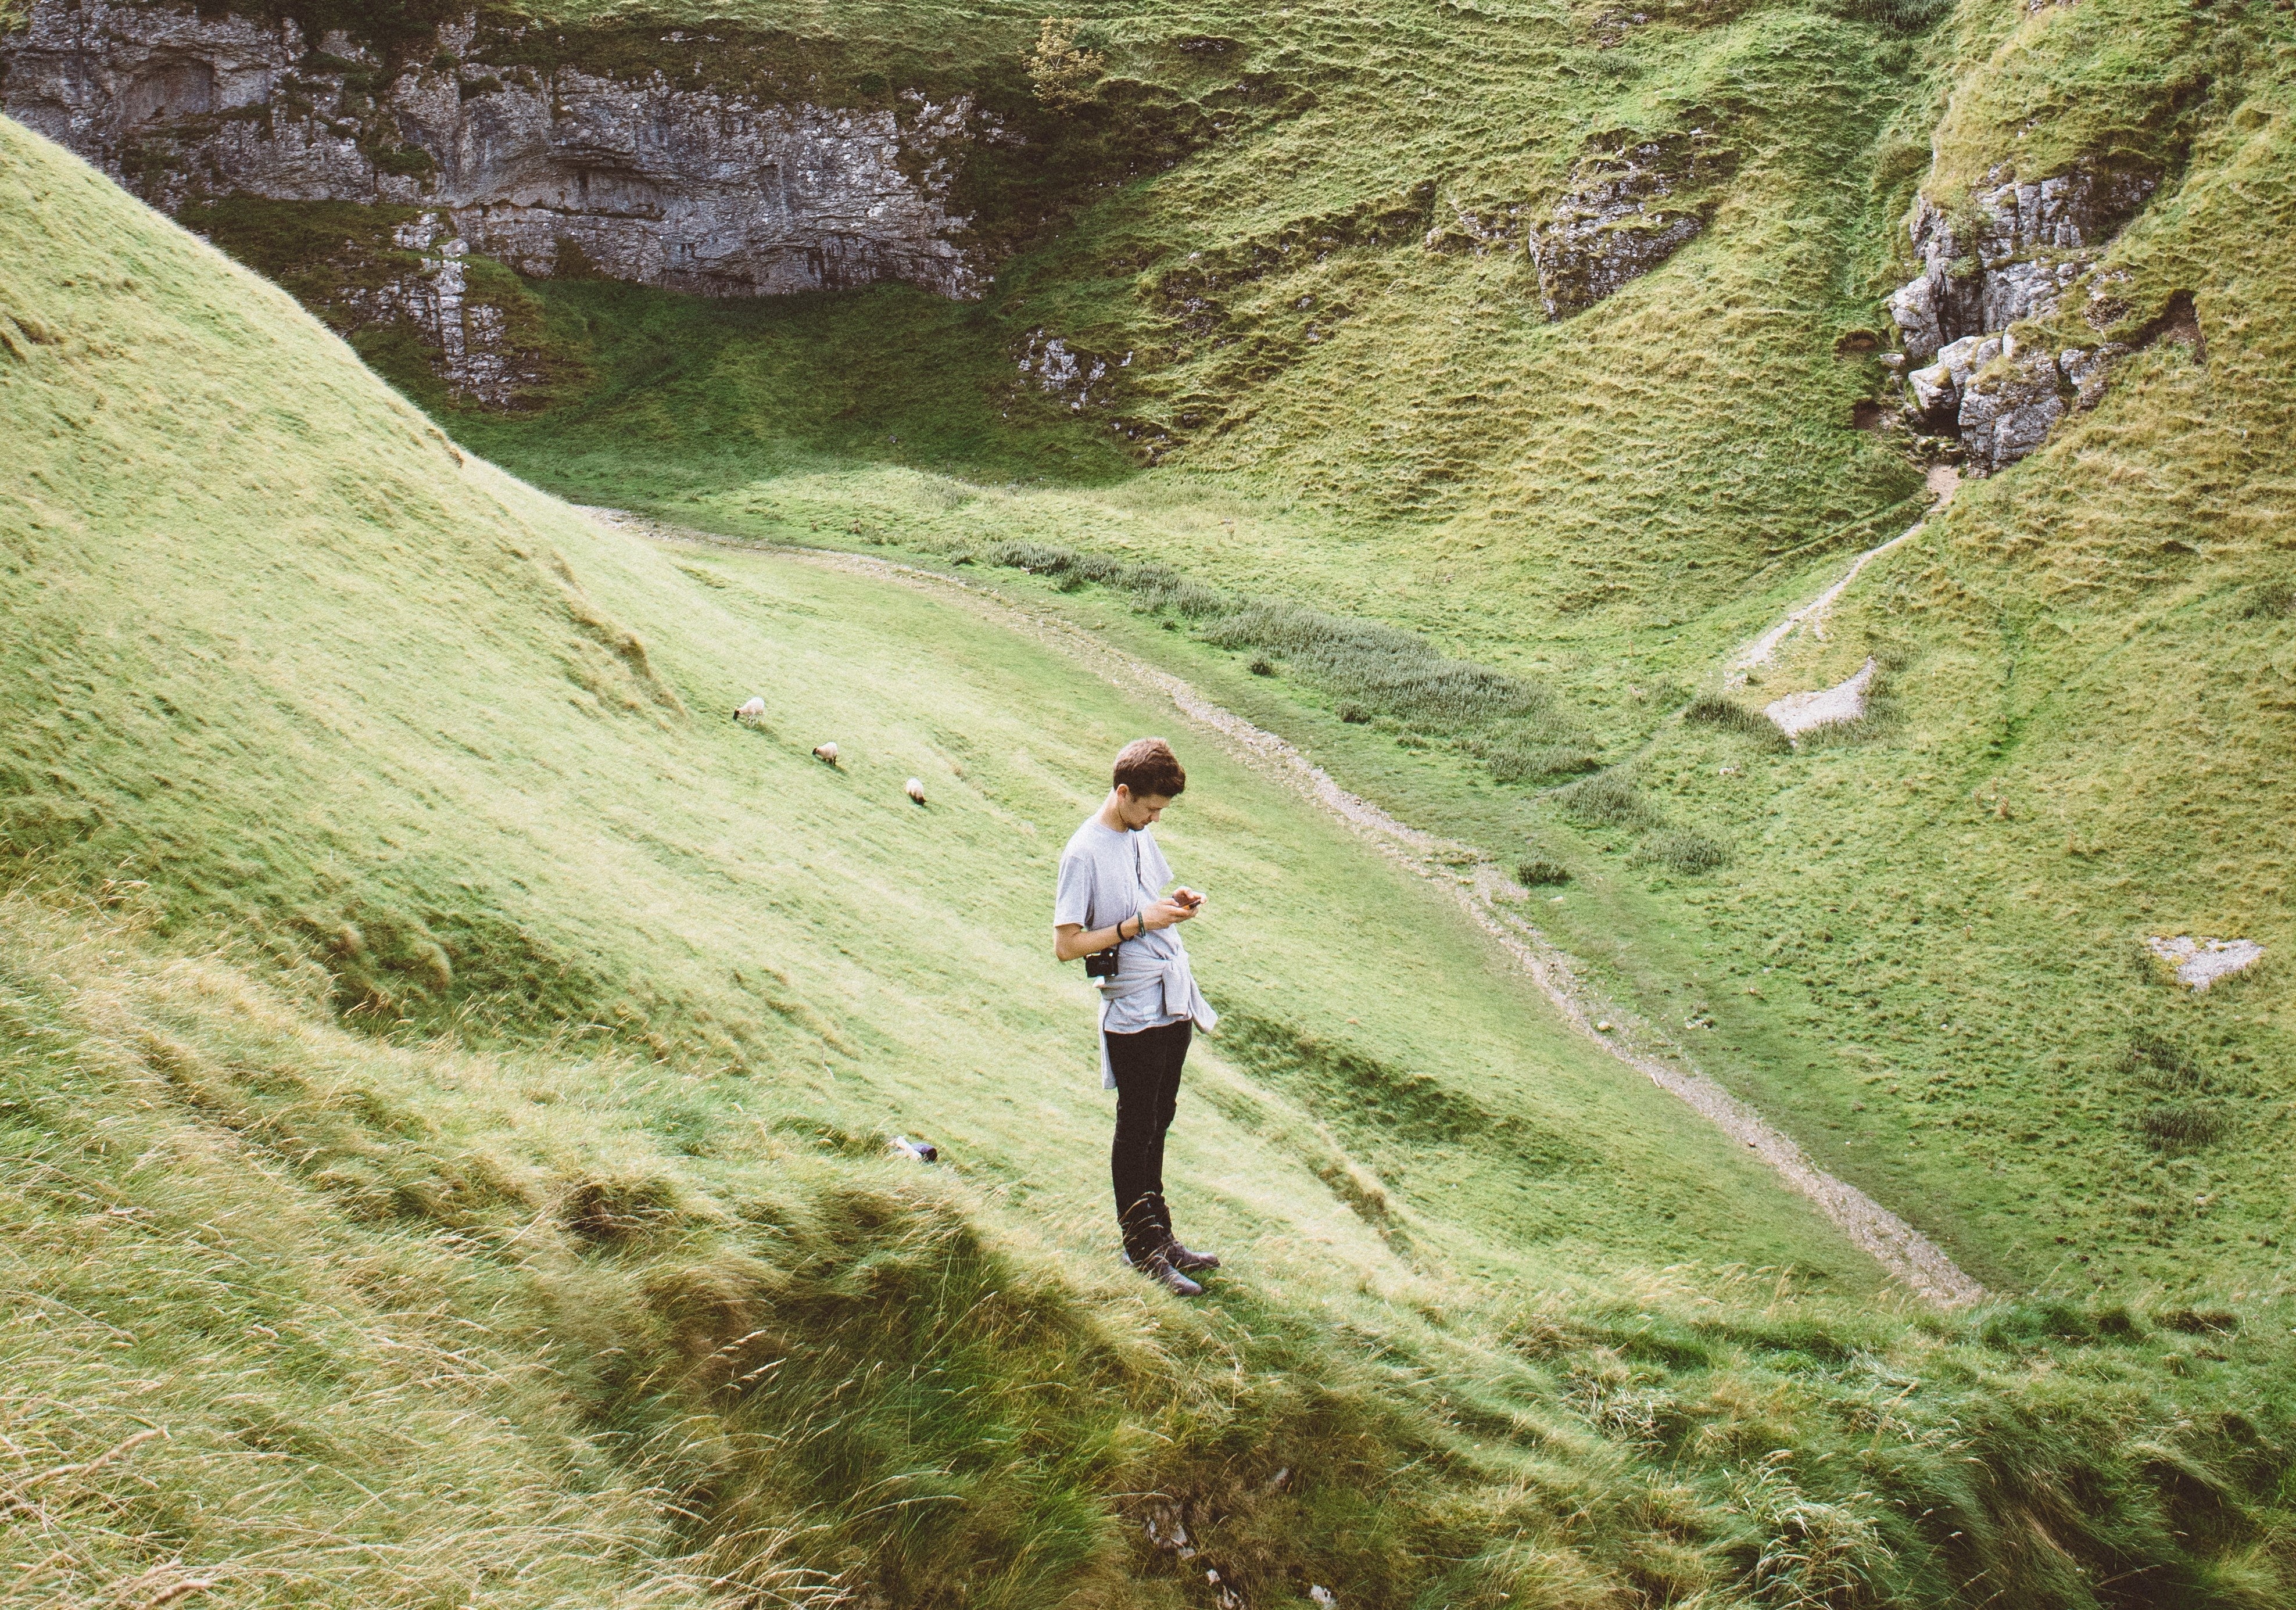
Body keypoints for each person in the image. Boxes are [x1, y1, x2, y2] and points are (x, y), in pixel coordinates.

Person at [1052, 737, 1222, 1297]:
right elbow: (1067, 945)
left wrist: (1173, 902)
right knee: (1136, 1126)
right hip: (1131, 1007)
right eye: (1148, 808)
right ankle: (1141, 1248)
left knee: (1160, 1119)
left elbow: (1144, 899)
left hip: (1170, 996)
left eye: (1160, 812)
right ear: (1122, 792)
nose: (1154, 819)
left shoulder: (1138, 835)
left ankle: (1161, 1235)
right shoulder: (1082, 852)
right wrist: (1138, 926)